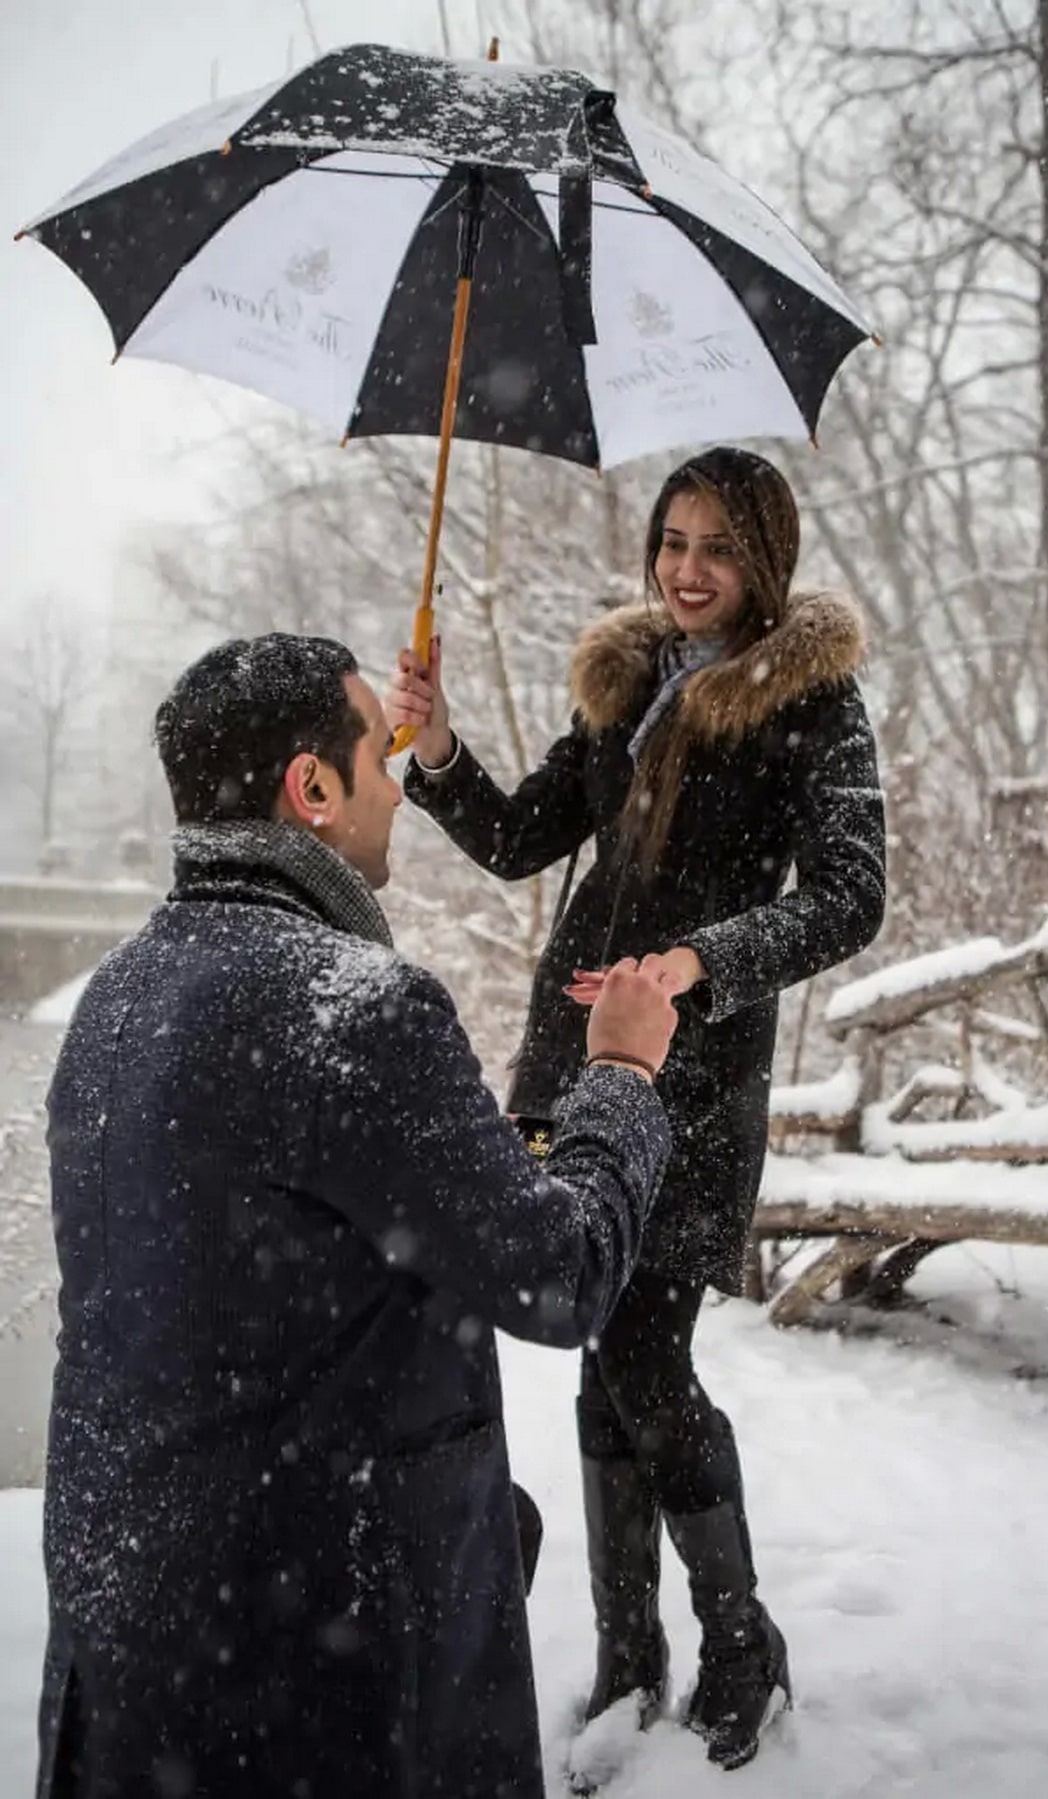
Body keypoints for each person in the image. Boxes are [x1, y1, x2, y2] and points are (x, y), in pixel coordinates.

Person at [36, 633, 682, 1799]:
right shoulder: (354, 1009)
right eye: (378, 753)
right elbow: (563, 1269)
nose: (396, 783)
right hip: (318, 1684)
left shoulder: (114, 1000)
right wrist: (622, 1078)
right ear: (314, 788)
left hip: (134, 1656)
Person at [389, 445, 887, 1773]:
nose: (687, 568)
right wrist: (435, 748)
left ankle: (738, 1640)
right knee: (603, 1351)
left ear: (763, 561)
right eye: (673, 538)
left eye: (718, 545)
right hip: (576, 1057)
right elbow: (514, 833)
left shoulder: (813, 699)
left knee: (645, 1355)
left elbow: (850, 895)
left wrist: (698, 962)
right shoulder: (622, 687)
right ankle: (629, 1649)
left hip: (700, 1069)